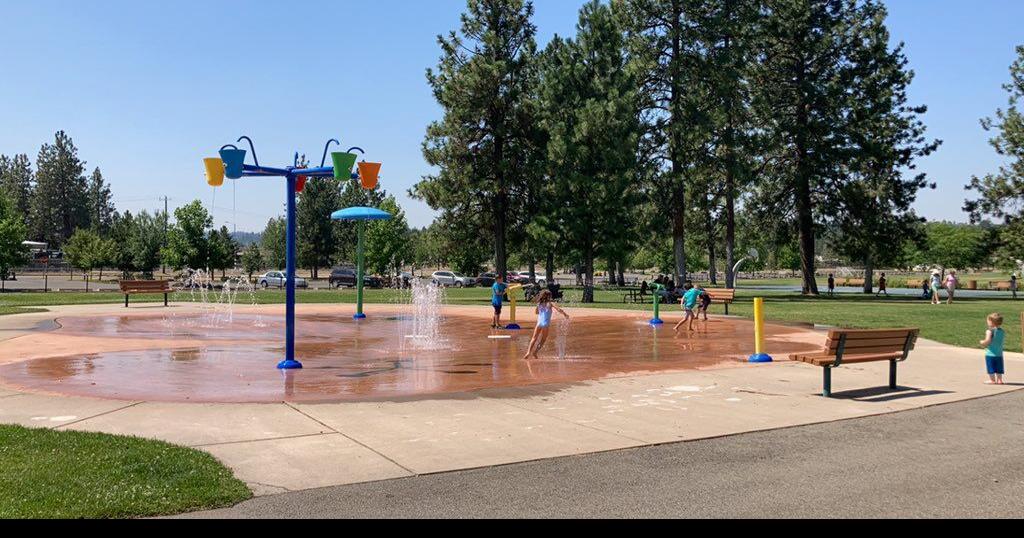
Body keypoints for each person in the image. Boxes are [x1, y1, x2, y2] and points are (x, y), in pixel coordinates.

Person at [522, 290, 570, 360]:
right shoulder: (550, 303)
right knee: (543, 339)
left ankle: (528, 352)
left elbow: (536, 312)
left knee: (534, 338)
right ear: (549, 296)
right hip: (545, 324)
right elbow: (559, 309)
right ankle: (535, 352)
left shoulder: (539, 303)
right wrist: (565, 314)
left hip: (539, 323)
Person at [979, 313, 1006, 385]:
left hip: (990, 353)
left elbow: (988, 341)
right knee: (999, 367)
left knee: (991, 367)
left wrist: (982, 342)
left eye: (988, 321)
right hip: (999, 354)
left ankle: (992, 380)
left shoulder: (989, 331)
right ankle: (999, 380)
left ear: (991, 322)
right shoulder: (1002, 331)